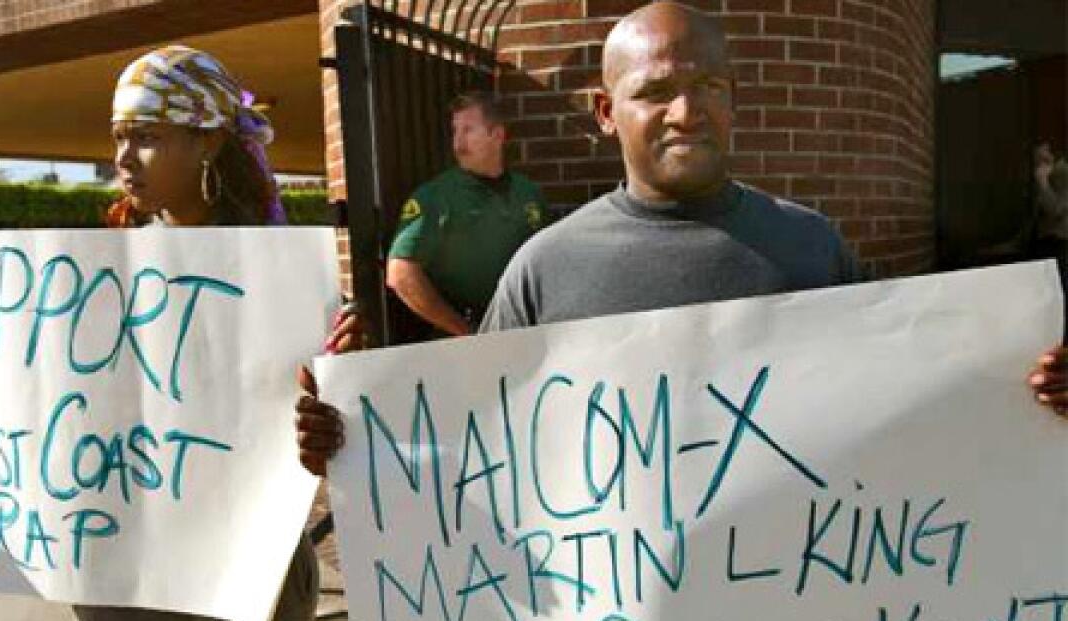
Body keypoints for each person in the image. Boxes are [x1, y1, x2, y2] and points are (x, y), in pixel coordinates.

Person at [293, 1, 1067, 476]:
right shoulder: (545, 269)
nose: (686, 113)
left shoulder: (812, 248)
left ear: (735, 103)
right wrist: (357, 444)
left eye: (709, 88)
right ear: (605, 112)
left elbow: (909, 395)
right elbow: (476, 443)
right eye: (655, 91)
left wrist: (1025, 389)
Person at [0, 45, 365, 621]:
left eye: (146, 134)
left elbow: (341, 424)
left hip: (245, 552)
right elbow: (22, 382)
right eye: (118, 137)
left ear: (209, 140)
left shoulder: (289, 278)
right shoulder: (85, 273)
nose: (122, 157)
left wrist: (328, 417)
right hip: (112, 550)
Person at [385, 92, 548, 341]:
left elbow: (545, 262)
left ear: (498, 135)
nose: (458, 144)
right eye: (455, 131)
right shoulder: (435, 197)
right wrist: (466, 331)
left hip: (523, 331)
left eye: (469, 131)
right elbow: (400, 274)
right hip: (460, 341)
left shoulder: (529, 193)